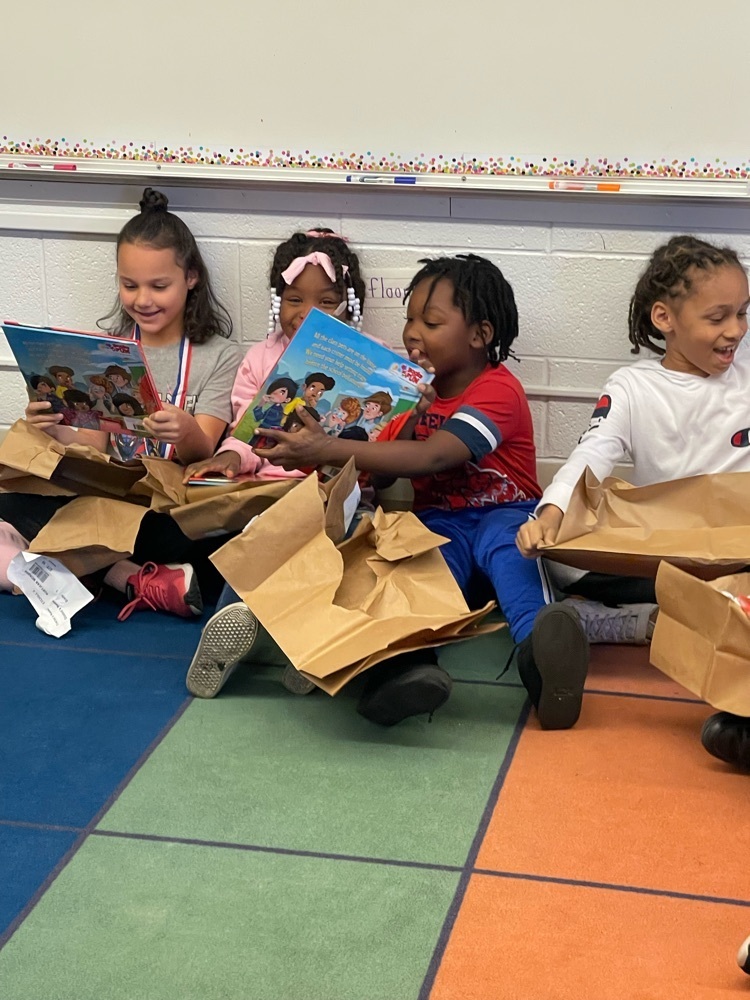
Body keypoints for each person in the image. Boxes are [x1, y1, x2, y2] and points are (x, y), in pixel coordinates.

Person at [196, 253, 590, 728]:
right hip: (438, 522)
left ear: (480, 335)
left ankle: (545, 667)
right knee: (414, 582)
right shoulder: (413, 390)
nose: (412, 333)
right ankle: (405, 674)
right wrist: (403, 418)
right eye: (409, 319)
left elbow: (436, 457)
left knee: (513, 564)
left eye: (431, 321)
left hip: (508, 513)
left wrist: (329, 447)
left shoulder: (497, 390)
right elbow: (384, 476)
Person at [515, 235, 750, 752]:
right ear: (664, 318)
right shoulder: (633, 386)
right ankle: (625, 618)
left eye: (743, 312)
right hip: (665, 557)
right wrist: (552, 512)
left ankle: (622, 624)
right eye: (717, 317)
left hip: (736, 554)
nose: (735, 330)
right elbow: (590, 454)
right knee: (555, 556)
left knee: (733, 591)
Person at [0, 188, 241, 620]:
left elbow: (205, 453)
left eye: (159, 285)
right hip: (109, 502)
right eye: (129, 285)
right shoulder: (106, 351)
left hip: (167, 510)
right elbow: (93, 445)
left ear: (191, 278)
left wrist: (185, 432)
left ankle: (68, 569)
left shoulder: (219, 355)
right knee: (12, 502)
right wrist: (53, 427)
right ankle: (128, 577)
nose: (142, 300)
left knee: (220, 541)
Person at [182, 228, 367, 697]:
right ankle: (238, 630)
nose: (305, 314)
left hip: (333, 489)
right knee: (261, 535)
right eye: (293, 299)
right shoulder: (261, 358)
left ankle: (296, 648)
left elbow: (373, 444)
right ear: (276, 301)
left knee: (332, 546)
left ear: (350, 305)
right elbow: (247, 428)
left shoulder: (369, 360)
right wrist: (229, 455)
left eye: (325, 302)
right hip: (269, 488)